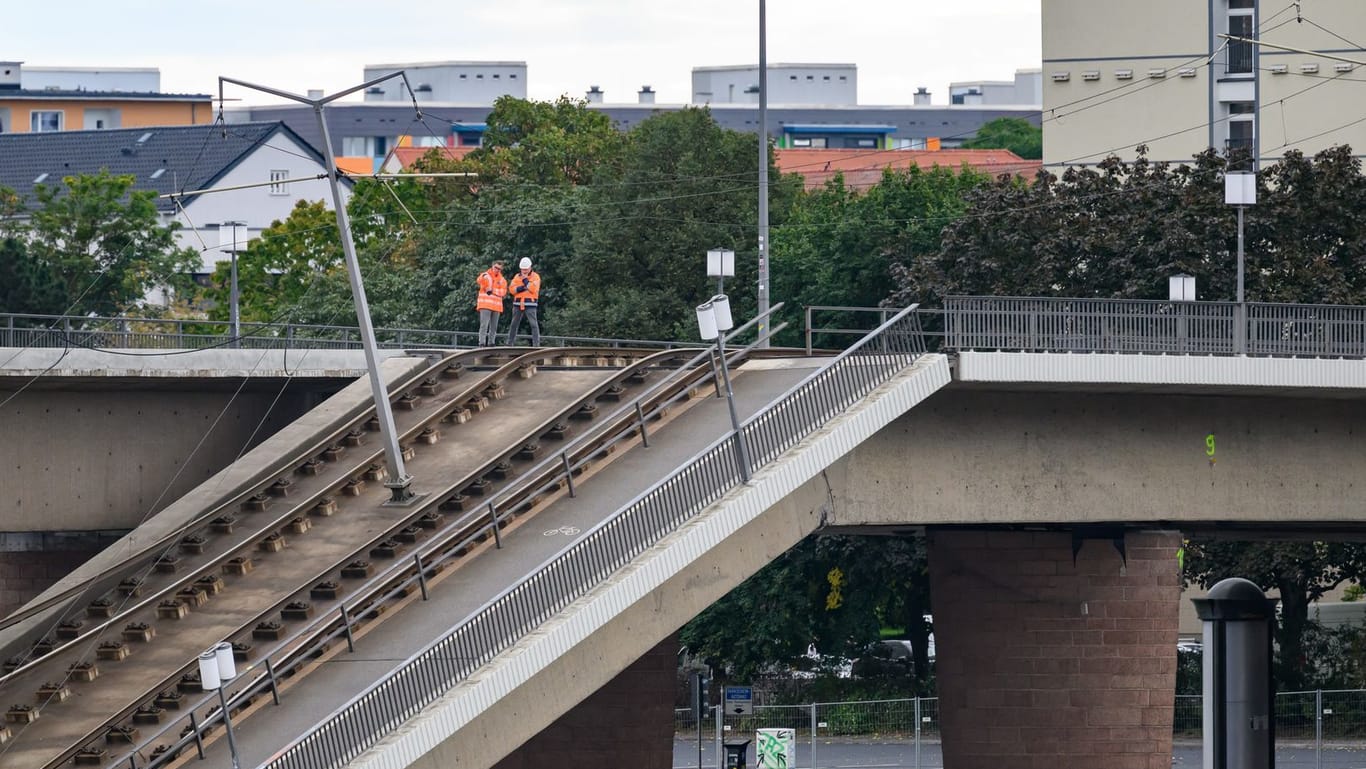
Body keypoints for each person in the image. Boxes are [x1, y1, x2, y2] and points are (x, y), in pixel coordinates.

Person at [505, 257, 542, 346]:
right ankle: (509, 343)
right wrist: (522, 288)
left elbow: (533, 289)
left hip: (530, 304)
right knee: (514, 324)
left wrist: (525, 282)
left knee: (533, 324)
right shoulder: (517, 277)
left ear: (530, 268)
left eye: (526, 269)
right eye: (522, 269)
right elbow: (511, 289)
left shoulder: (535, 277)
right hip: (517, 304)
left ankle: (536, 344)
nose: (524, 271)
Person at [475, 260, 507, 346]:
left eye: (499, 269)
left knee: (494, 327)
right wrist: (486, 278)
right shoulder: (485, 275)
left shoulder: (502, 280)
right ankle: (481, 343)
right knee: (484, 325)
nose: (497, 270)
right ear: (492, 266)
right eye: (496, 267)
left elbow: (503, 292)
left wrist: (492, 290)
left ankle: (491, 343)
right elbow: (479, 280)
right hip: (485, 304)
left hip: (496, 307)